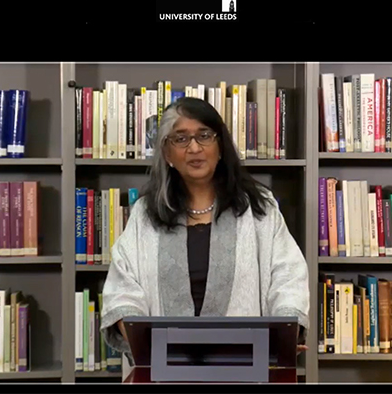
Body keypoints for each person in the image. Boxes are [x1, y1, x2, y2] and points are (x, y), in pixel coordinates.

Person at [100, 96, 310, 376]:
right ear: (166, 153)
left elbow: (288, 276)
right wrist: (137, 334)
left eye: (204, 136)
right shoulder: (144, 215)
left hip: (245, 372)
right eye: (181, 139)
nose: (194, 148)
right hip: (163, 373)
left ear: (220, 146)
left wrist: (284, 333)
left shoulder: (259, 208)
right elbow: (123, 287)